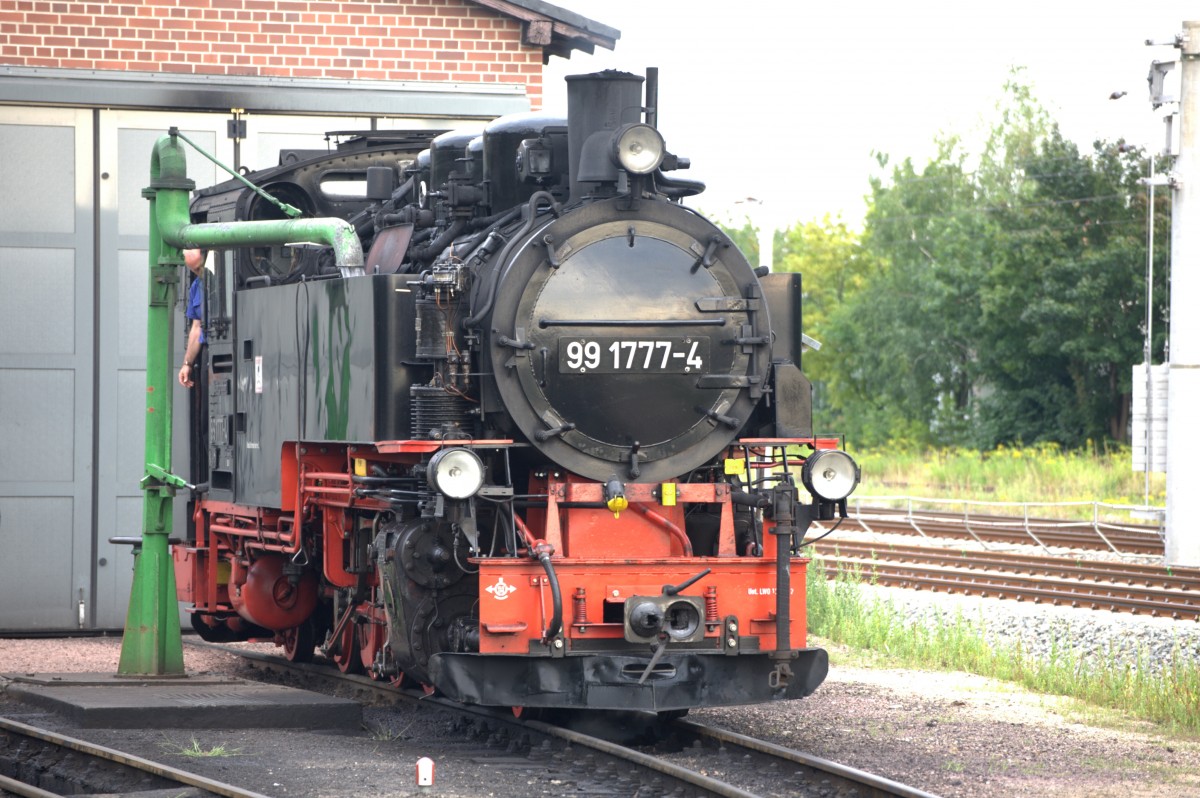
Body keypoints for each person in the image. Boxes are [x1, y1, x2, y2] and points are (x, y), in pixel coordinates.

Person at [178, 248, 207, 388]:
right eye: (195, 270)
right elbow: (196, 328)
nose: (200, 272)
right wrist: (187, 363)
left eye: (201, 267)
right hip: (208, 351)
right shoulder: (196, 287)